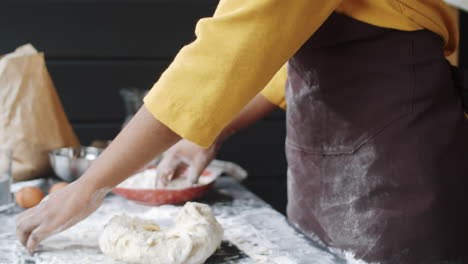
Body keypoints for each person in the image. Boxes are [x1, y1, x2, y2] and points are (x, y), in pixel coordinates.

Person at [16, 0, 468, 263]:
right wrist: (208, 133)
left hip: (397, 163)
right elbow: (271, 68)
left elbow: (221, 57)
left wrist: (91, 185)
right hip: (328, 167)